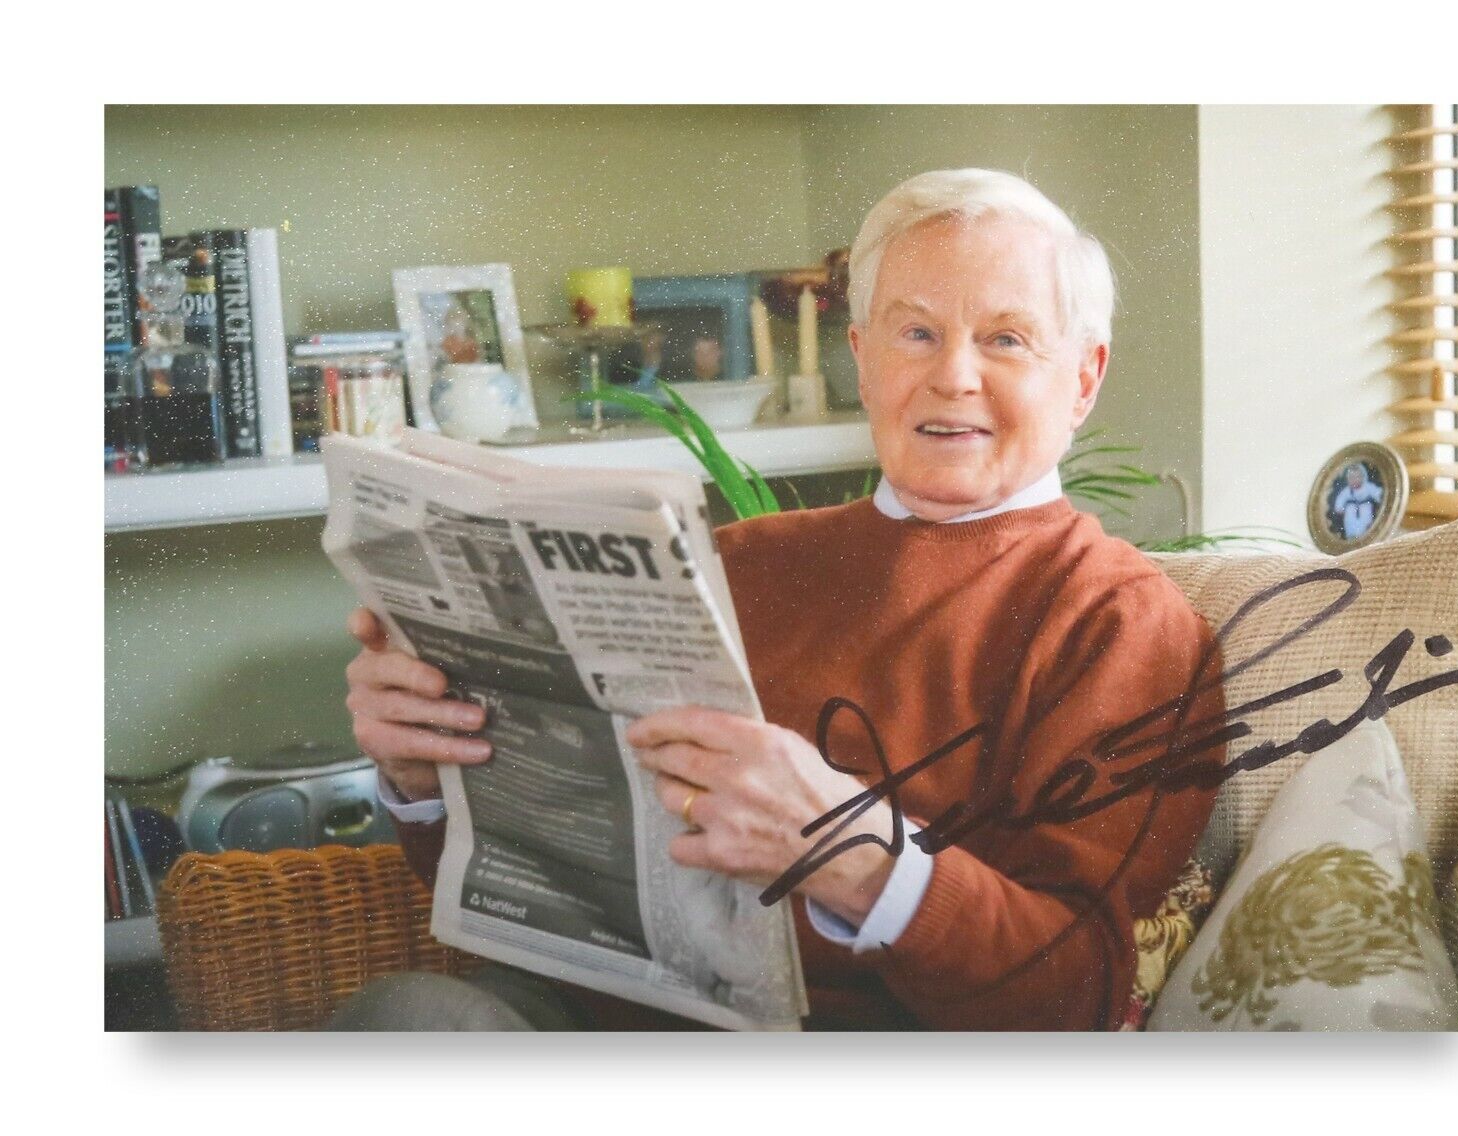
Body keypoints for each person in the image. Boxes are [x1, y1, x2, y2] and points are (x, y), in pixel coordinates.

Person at [338, 168, 1227, 1031]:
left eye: (1006, 339)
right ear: (863, 358)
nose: (954, 376)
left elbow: (1071, 998)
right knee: (408, 1020)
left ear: (1082, 378)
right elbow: (521, 882)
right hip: (593, 1021)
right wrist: (424, 777)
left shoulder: (1123, 623)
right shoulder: (729, 560)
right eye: (915, 334)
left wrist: (851, 855)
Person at [1333, 462, 1383, 540]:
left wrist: (1380, 497)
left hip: (1365, 509)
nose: (1355, 480)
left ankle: (1364, 536)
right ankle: (1351, 536)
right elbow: (1340, 499)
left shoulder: (1368, 487)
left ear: (1363, 477)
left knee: (1366, 524)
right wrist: (1339, 508)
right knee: (1350, 524)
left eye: (1358, 477)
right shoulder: (1346, 491)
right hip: (1350, 512)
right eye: (1352, 477)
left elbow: (1377, 493)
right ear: (1348, 479)